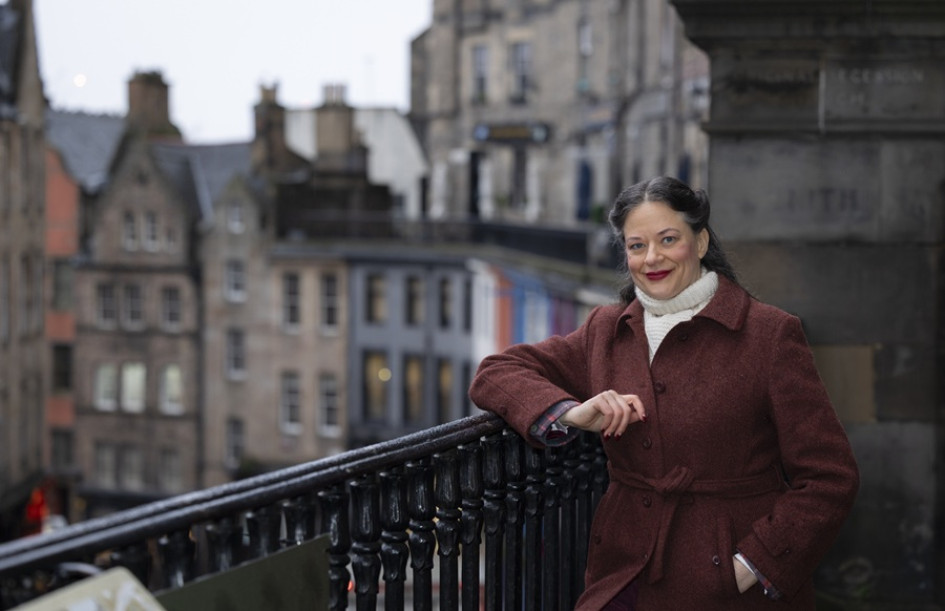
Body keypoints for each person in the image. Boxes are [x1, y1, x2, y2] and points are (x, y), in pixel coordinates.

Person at [468, 176, 859, 610]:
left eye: (668, 239)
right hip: (623, 572)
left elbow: (829, 476)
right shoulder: (607, 329)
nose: (651, 258)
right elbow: (496, 371)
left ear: (701, 240)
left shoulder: (769, 334)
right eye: (637, 246)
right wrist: (570, 413)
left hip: (731, 589)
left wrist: (753, 565)